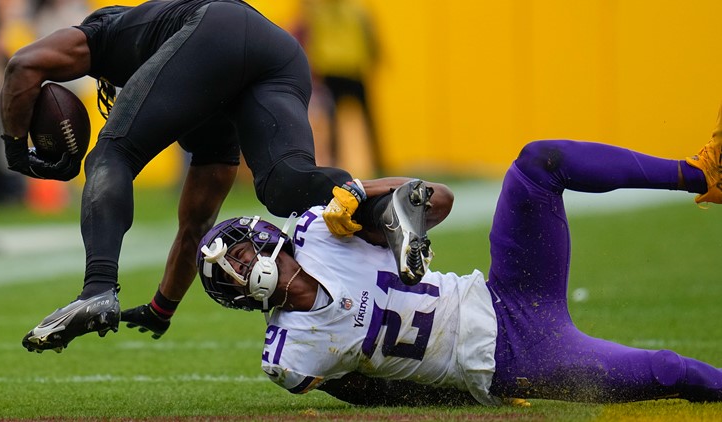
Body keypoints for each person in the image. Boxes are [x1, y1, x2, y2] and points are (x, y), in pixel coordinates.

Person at [0, 0, 430, 353]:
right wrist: (161, 307)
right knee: (284, 184)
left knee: (112, 153)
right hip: (278, 54)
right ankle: (386, 206)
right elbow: (197, 229)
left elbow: (23, 65)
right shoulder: (205, 119)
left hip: (217, 26)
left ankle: (96, 288)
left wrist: (17, 152)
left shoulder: (107, 32)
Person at [196, 127, 722, 405]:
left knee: (539, 163)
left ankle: (701, 175)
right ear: (234, 297)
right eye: (231, 275)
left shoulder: (321, 229)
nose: (242, 270)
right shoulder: (289, 356)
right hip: (515, 360)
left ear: (264, 237)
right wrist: (462, 395)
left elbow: (437, 200)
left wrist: (359, 196)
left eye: (239, 256)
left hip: (504, 295)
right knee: (667, 371)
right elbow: (368, 392)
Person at [295, 0, 382, 173]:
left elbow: (311, 40)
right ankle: (375, 162)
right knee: (350, 119)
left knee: (339, 119)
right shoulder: (356, 9)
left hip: (339, 68)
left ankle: (339, 161)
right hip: (345, 68)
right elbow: (370, 37)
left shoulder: (321, 11)